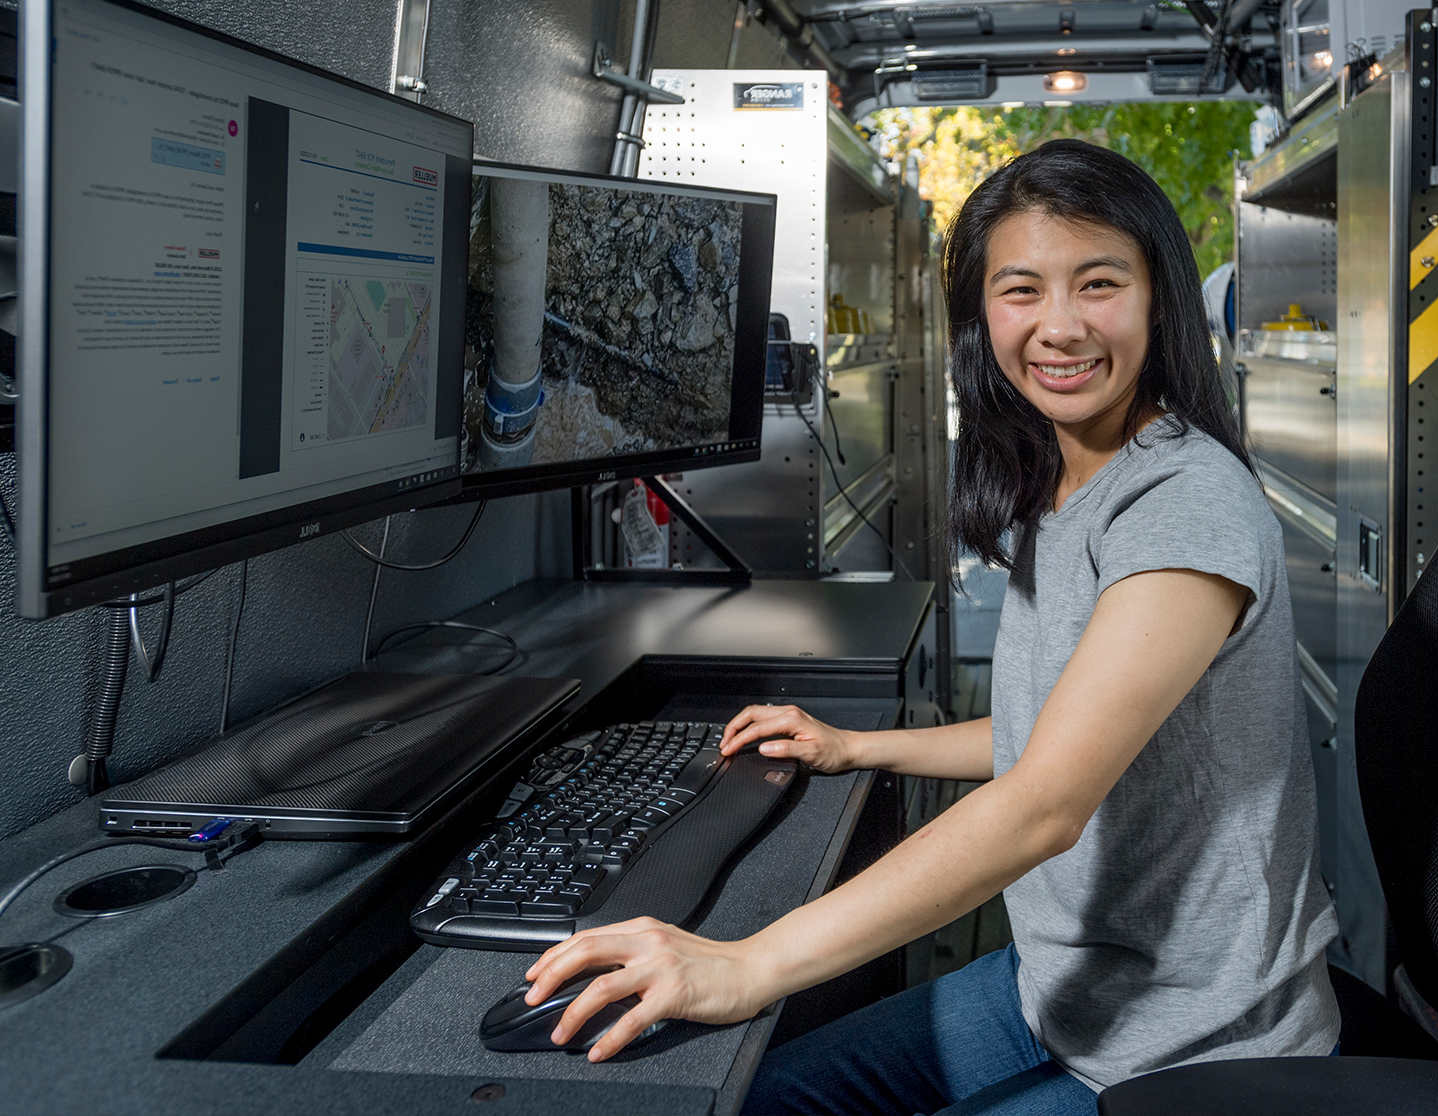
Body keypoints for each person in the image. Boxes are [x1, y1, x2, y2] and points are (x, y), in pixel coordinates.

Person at [517, 138, 1339, 1114]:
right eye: (1022, 289)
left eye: (1099, 283)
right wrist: (857, 744)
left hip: (1196, 1049)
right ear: (979, 312)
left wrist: (745, 964)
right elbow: (1052, 729)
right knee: (755, 1099)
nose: (1062, 327)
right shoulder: (1058, 474)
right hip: (1059, 995)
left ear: (1158, 297)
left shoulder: (1182, 504)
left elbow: (1045, 801)